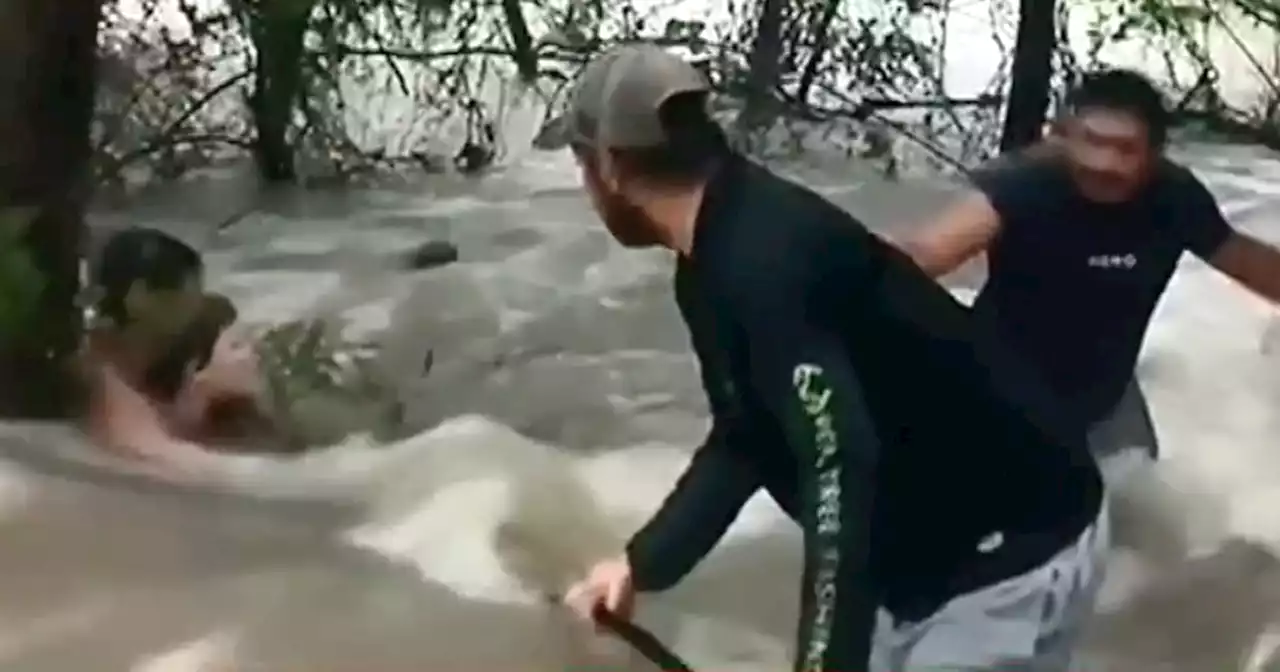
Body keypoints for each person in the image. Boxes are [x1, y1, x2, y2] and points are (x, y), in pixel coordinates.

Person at [543, 44, 1106, 671]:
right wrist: (641, 564)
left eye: (580, 163)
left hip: (1012, 554)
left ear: (610, 167)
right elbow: (749, 433)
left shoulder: (761, 261)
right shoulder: (713, 256)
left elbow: (840, 465)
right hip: (932, 559)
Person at [896, 69, 1280, 482]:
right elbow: (925, 253)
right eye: (1093, 142)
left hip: (1105, 400)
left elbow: (1245, 261)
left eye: (1125, 149)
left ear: (1155, 153)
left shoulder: (1174, 198)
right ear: (1064, 137)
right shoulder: (1024, 183)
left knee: (1142, 505)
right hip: (998, 390)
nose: (1105, 164)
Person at [82, 227, 262, 461]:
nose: (197, 302)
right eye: (191, 290)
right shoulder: (97, 364)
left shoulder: (206, 335)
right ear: (140, 297)